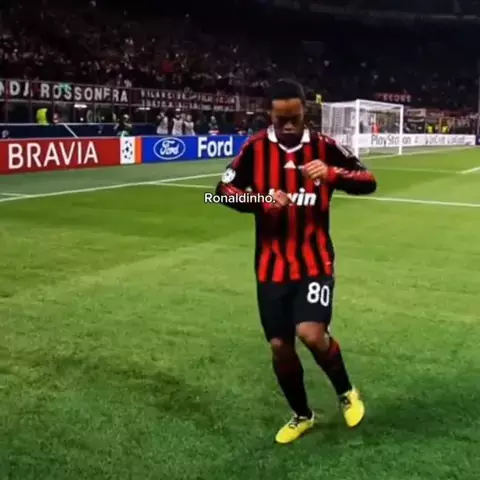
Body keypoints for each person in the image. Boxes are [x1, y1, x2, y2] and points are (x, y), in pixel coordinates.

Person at [215, 79, 377, 444]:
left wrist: (332, 174)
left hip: (314, 261)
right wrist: (259, 201)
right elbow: (220, 192)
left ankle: (346, 391)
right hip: (270, 266)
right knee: (279, 346)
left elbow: (368, 180)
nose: (288, 125)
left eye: (295, 117)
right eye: (281, 118)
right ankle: (302, 415)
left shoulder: (325, 146)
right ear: (269, 114)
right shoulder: (254, 149)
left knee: (311, 333)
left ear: (306, 112)